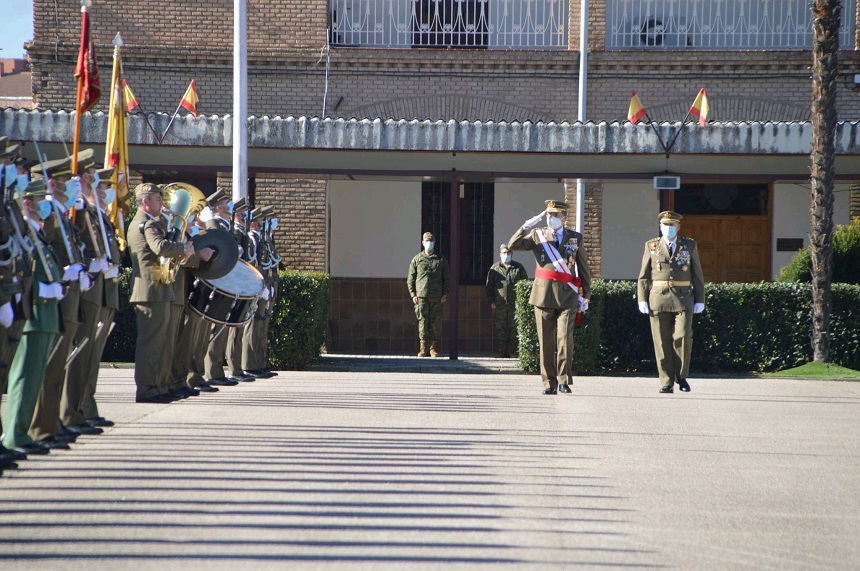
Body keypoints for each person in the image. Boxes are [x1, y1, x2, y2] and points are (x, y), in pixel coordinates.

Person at [1, 178, 64, 456]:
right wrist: (42, 288)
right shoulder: (25, 233)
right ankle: (13, 434)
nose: (44, 204)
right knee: (23, 376)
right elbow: (23, 272)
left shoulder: (36, 232)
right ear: (27, 202)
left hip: (45, 313)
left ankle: (23, 432)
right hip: (34, 310)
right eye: (40, 199)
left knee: (35, 376)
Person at [508, 200, 592, 395]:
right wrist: (526, 226)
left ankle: (563, 380)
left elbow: (584, 268)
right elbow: (513, 244)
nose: (551, 218)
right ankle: (548, 382)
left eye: (556, 215)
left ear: (564, 217)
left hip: (567, 295)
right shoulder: (537, 236)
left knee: (565, 339)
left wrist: (585, 295)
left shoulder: (575, 238)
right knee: (546, 341)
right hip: (543, 295)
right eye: (549, 215)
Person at [128, 182, 198, 403]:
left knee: (163, 343)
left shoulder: (150, 222)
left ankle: (160, 385)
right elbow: (159, 247)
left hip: (157, 288)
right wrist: (183, 249)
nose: (162, 203)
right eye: (158, 199)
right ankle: (148, 388)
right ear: (146, 201)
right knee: (152, 343)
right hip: (150, 289)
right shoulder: (146, 224)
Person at [637, 211, 705, 394]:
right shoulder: (651, 246)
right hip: (658, 297)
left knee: (682, 336)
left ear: (678, 227)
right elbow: (643, 277)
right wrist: (642, 298)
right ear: (660, 227)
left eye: (672, 225)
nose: (669, 228)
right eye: (666, 225)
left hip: (683, 297)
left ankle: (681, 376)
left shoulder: (689, 245)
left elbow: (697, 273)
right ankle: (666, 380)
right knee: (661, 341)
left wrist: (700, 299)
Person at [407, 231, 450, 358]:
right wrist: (413, 294)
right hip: (422, 297)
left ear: (434, 243)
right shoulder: (417, 259)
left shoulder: (441, 259)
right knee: (423, 322)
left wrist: (445, 294)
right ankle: (423, 348)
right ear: (422, 243)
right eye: (427, 241)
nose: (429, 243)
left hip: (437, 297)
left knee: (435, 322)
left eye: (431, 241)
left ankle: (433, 348)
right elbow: (411, 278)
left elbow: (446, 278)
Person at [485, 243, 528, 357]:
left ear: (512, 254)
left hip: (515, 304)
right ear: (500, 254)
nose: (506, 255)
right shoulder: (495, 268)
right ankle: (501, 351)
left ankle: (512, 352)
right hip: (500, 304)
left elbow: (524, 284)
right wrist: (491, 301)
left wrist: (522, 302)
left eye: (508, 253)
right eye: (504, 253)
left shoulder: (518, 268)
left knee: (514, 328)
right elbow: (489, 286)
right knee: (501, 328)